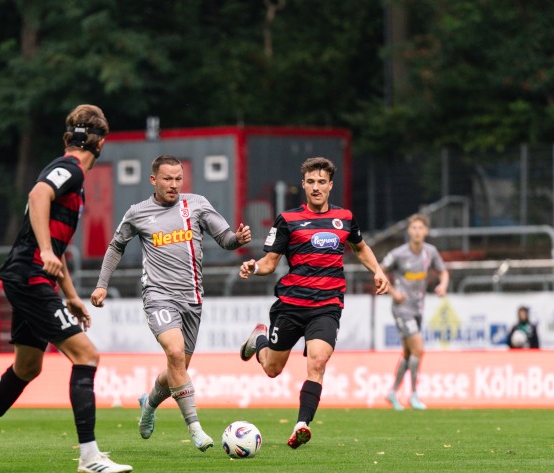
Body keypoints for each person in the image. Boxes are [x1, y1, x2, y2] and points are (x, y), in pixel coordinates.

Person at [0, 104, 132, 473]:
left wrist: (70, 293)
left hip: (30, 275)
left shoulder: (70, 175)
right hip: (30, 275)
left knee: (28, 365)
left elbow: (54, 241)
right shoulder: (68, 169)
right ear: (101, 143)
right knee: (86, 356)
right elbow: (39, 196)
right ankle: (89, 456)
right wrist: (46, 252)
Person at [91, 154, 251, 452]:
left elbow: (225, 238)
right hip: (158, 297)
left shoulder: (198, 204)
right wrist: (102, 285)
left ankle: (149, 403)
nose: (174, 184)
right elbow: (116, 246)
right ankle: (195, 428)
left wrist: (238, 239)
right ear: (153, 180)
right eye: (167, 179)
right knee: (175, 354)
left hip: (192, 299)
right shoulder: (138, 213)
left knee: (177, 368)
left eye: (178, 178)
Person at [237, 156, 388, 449]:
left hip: (327, 305)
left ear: (330, 185)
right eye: (311, 182)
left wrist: (378, 270)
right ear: (303, 185)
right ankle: (259, 341)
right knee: (272, 369)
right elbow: (270, 263)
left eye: (322, 182)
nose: (316, 187)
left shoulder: (344, 217)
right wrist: (253, 267)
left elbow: (360, 247)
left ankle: (301, 424)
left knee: (317, 362)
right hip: (291, 304)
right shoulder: (288, 220)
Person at [381, 214, 449, 411]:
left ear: (426, 231)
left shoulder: (430, 252)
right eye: (414, 228)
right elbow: (380, 270)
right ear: (409, 231)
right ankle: (413, 395)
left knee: (409, 353)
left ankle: (392, 392)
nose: (417, 231)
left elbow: (443, 272)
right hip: (402, 309)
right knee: (419, 348)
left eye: (421, 228)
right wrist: (393, 292)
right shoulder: (399, 254)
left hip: (418, 308)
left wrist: (443, 285)